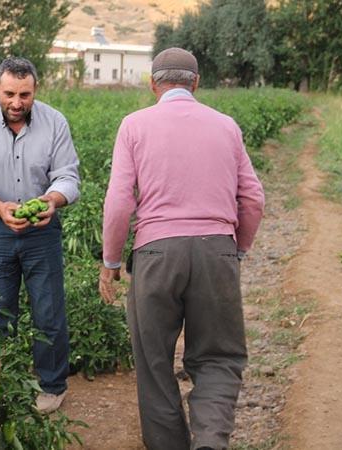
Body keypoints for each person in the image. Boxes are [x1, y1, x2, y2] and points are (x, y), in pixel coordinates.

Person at [99, 47, 265, 450]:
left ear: (153, 84)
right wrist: (236, 252)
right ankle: (209, 440)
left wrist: (111, 262)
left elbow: (120, 200)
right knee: (218, 358)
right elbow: (253, 199)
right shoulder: (226, 126)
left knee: (154, 364)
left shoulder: (134, 125)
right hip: (216, 251)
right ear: (197, 83)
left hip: (156, 255)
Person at [0, 57, 80, 414]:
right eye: (9, 93)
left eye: (25, 94)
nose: (17, 102)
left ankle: (52, 385)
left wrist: (51, 200)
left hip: (43, 230)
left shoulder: (54, 123)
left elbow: (67, 176)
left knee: (49, 310)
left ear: (35, 90)